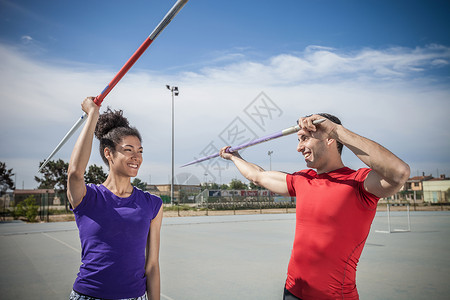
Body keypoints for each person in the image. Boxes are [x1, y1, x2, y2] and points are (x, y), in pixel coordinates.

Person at [219, 113, 410, 300]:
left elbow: (398, 173)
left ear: (329, 139)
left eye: (304, 139)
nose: (298, 147)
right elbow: (258, 176)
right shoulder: (302, 179)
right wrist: (234, 157)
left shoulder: (358, 183)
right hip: (292, 291)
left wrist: (335, 130)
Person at [67, 97, 163, 300]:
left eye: (140, 151)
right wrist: (92, 114)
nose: (136, 157)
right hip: (88, 295)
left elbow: (152, 265)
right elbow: (75, 173)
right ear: (108, 153)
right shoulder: (87, 197)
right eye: (128, 150)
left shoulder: (152, 204)